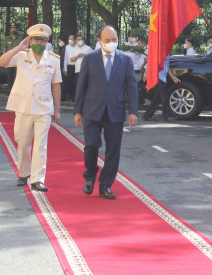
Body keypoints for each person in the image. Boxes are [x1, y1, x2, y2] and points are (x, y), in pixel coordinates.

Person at [74, 25, 139, 200]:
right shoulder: (89, 58)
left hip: (115, 110)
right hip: (92, 110)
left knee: (113, 150)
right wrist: (77, 111)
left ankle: (105, 185)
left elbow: (132, 86)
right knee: (92, 145)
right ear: (100, 41)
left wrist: (133, 111)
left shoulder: (125, 59)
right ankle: (90, 176)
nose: (112, 43)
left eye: (115, 39)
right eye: (107, 40)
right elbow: (81, 85)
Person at [0, 24, 61, 191]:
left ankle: (37, 179)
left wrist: (57, 110)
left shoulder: (54, 60)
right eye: (36, 39)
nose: (39, 43)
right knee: (23, 142)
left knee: (41, 144)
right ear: (30, 40)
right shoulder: (21, 56)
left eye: (43, 40)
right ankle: (24, 173)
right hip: (24, 106)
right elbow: (1, 62)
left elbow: (56, 85)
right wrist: (19, 47)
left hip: (44, 107)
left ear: (47, 42)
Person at [142, 57, 180, 121]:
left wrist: (173, 77)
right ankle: (167, 116)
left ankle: (147, 115)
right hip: (157, 77)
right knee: (165, 97)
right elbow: (150, 61)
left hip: (162, 79)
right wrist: (146, 73)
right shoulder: (159, 51)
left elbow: (167, 67)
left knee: (157, 98)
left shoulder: (167, 54)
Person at [63, 34, 77, 101]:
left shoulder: (78, 47)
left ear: (75, 40)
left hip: (76, 66)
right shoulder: (67, 47)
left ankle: (74, 97)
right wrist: (65, 68)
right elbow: (66, 58)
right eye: (69, 39)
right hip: (69, 66)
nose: (70, 40)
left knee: (75, 82)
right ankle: (70, 97)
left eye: (71, 39)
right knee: (69, 82)